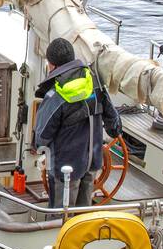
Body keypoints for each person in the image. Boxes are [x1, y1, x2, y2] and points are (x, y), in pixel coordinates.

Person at [33, 38, 121, 208]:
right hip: (92, 162)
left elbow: (42, 137)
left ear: (52, 65)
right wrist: (115, 131)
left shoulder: (56, 94)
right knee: (82, 213)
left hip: (66, 167)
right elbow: (114, 124)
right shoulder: (94, 82)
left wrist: (39, 148)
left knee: (61, 216)